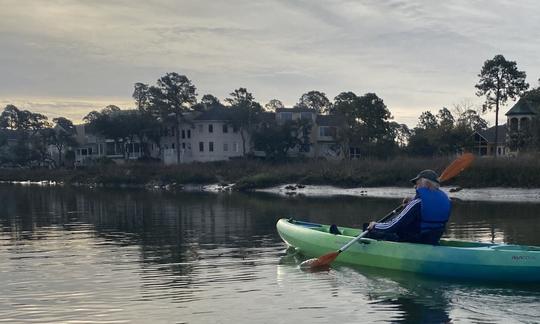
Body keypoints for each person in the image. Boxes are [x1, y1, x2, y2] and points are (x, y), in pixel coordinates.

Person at [364, 169, 451, 245]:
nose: (415, 186)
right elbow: (425, 209)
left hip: (414, 241)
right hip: (432, 240)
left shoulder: (417, 203)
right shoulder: (445, 200)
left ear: (425, 184)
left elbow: (392, 226)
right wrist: (411, 202)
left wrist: (375, 225)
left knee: (367, 227)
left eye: (417, 183)